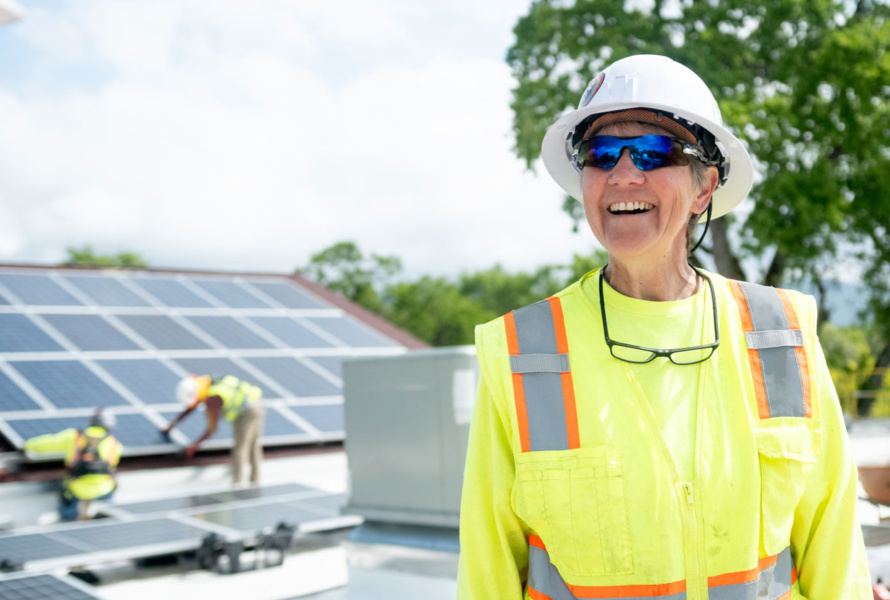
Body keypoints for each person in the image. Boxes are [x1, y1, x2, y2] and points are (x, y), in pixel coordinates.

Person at [457, 54, 871, 599]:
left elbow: (833, 546)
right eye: (600, 154)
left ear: (706, 188)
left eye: (655, 152)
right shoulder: (521, 353)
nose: (624, 174)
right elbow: (487, 570)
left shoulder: (782, 336)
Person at [162, 373, 265, 484]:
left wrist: (194, 446)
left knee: (241, 447)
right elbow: (190, 408)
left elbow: (212, 429)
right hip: (256, 404)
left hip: (248, 411)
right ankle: (255, 480)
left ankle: (237, 484)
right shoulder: (205, 386)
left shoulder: (213, 398)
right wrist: (171, 425)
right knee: (252, 444)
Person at [23, 410, 122, 521]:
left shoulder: (75, 436)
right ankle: (106, 514)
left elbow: (49, 443)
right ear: (109, 425)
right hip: (103, 490)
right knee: (110, 493)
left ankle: (68, 520)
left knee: (67, 498)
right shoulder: (114, 443)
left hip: (76, 489)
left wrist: (27, 445)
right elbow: (112, 467)